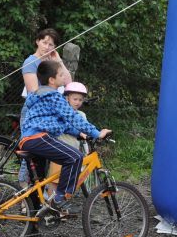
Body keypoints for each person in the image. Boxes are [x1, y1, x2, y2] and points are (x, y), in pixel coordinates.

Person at [20, 61, 110, 217]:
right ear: (52, 80)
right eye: (61, 74)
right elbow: (72, 116)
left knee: (38, 184)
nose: (64, 77)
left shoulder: (39, 95)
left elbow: (61, 122)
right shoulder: (53, 95)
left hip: (30, 139)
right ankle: (59, 200)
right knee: (75, 157)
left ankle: (35, 221)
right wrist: (97, 133)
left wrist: (80, 134)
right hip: (38, 137)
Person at [21, 28, 71, 96]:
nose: (47, 47)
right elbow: (33, 93)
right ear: (37, 41)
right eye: (44, 43)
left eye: (50, 45)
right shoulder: (30, 62)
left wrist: (59, 61)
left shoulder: (53, 61)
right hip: (41, 104)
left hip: (55, 101)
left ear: (54, 47)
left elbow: (68, 83)